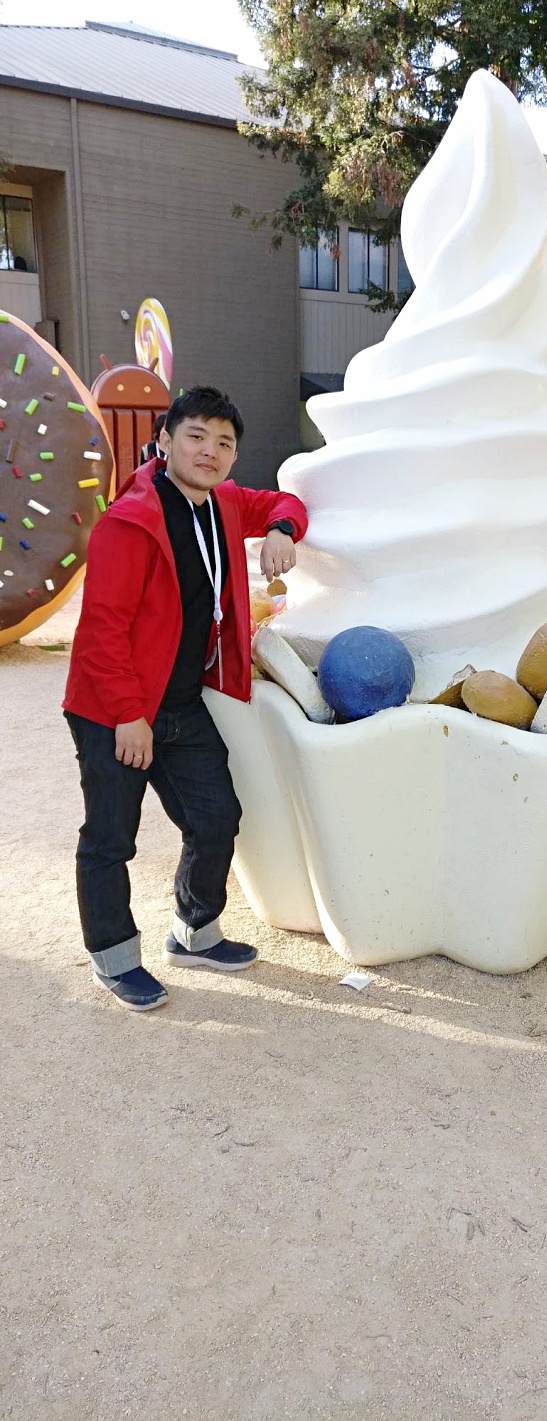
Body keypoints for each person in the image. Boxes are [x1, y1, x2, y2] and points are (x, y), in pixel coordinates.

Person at [63, 386, 308, 1012]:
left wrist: (280, 529)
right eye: (195, 436)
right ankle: (114, 959)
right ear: (165, 441)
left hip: (180, 702)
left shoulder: (222, 502)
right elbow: (101, 634)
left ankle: (194, 931)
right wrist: (128, 717)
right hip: (112, 708)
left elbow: (284, 500)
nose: (211, 451)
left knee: (216, 816)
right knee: (111, 839)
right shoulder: (130, 522)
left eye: (224, 442)